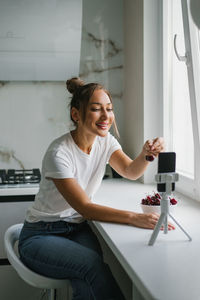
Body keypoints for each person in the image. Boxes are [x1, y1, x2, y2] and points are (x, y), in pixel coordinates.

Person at [18, 77, 175, 300]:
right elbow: (85, 208)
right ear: (76, 115)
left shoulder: (106, 142)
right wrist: (133, 218)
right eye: (96, 109)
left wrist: (147, 154)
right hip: (41, 235)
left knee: (88, 276)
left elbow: (130, 171)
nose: (106, 117)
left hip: (76, 229)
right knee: (91, 265)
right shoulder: (59, 153)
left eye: (109, 109)